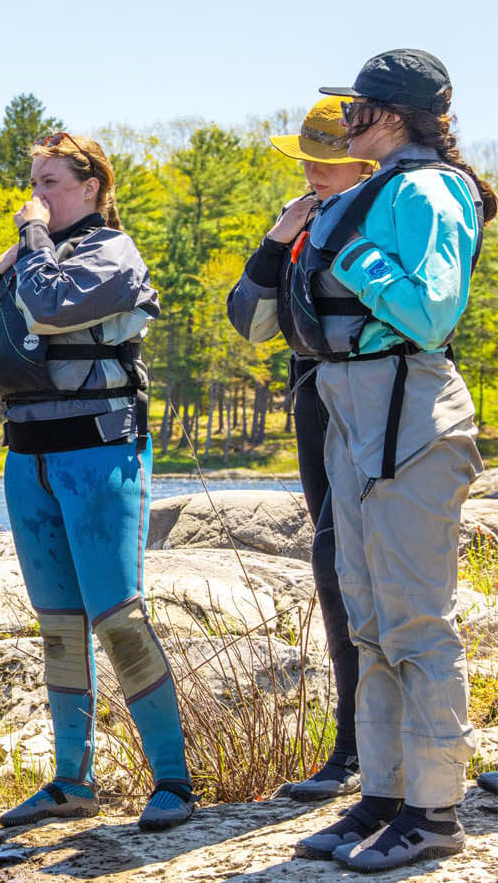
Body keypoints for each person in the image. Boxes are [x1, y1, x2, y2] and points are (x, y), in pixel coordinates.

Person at [272, 50, 492, 871]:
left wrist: (354, 256)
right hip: (353, 404)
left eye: (356, 107)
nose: (343, 118)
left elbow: (432, 312)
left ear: (389, 115)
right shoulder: (381, 185)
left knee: (417, 627)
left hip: (409, 412)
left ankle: (435, 814)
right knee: (368, 623)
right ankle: (385, 796)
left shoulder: (429, 189)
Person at [0, 132, 197, 831]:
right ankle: (71, 781)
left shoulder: (110, 252)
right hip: (26, 456)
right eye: (33, 182)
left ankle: (173, 781)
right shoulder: (25, 260)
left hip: (99, 453)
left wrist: (30, 237)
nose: (37, 195)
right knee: (59, 626)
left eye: (52, 181)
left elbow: (53, 309)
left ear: (90, 189)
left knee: (117, 615)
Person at [227, 96, 374, 801]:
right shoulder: (301, 222)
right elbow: (249, 323)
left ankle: (381, 747)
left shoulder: (389, 217)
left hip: (376, 405)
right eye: (307, 157)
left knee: (377, 576)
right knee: (332, 568)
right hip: (315, 402)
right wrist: (277, 236)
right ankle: (349, 747)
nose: (312, 170)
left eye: (328, 158)